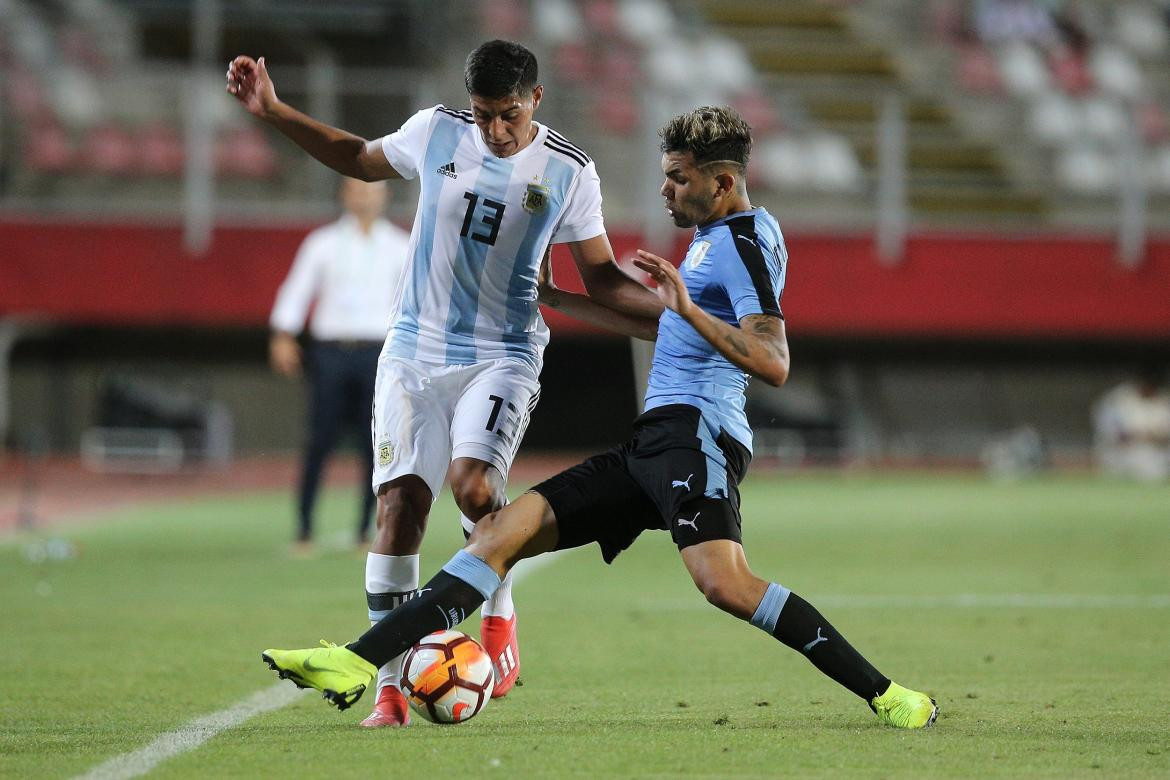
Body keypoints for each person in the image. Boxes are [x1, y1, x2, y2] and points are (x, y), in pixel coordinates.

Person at [260, 106, 939, 729]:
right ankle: (355, 660)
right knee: (498, 533)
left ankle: (887, 694)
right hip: (652, 442)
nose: (667, 190)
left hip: (697, 438)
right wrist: (559, 297)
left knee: (725, 585)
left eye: (678, 179)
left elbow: (772, 357)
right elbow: (668, 327)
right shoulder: (709, 238)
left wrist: (685, 305)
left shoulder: (745, 241)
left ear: (723, 182)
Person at [228, 41, 662, 728]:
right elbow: (357, 157)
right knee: (399, 510)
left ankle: (499, 611)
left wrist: (683, 317)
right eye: (486, 114)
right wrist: (275, 110)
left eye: (510, 115)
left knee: (475, 486)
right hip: (413, 351)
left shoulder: (570, 170)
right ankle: (393, 691)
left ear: (537, 100)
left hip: (504, 353)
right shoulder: (437, 130)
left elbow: (602, 277)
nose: (496, 130)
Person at [269, 177, 410, 555]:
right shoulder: (322, 243)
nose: (364, 196)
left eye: (371, 189)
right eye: (357, 189)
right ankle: (304, 527)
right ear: (344, 195)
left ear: (385, 196)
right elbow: (297, 289)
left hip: (379, 355)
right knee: (319, 440)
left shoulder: (400, 246)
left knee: (377, 443)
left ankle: (369, 529)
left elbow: (413, 303)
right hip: (330, 351)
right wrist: (284, 333)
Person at [1093, 365, 1170, 481]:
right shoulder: (1118, 398)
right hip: (1120, 460)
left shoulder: (1164, 401)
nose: (1150, 388)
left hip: (1154, 463)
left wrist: (1152, 436)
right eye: (1147, 383)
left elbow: (1164, 436)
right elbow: (1109, 431)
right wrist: (1137, 435)